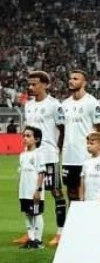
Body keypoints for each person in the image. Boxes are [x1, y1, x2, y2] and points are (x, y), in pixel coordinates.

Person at [15, 71, 65, 247]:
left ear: (45, 85)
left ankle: (60, 232)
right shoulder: (28, 105)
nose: (30, 87)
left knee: (56, 192)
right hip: (31, 156)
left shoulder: (54, 105)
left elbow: (62, 129)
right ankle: (31, 233)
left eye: (34, 84)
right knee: (30, 192)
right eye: (29, 84)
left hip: (49, 154)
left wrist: (57, 150)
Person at [57, 70, 100, 246]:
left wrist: (99, 153)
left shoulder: (92, 103)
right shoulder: (64, 104)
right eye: (70, 78)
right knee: (71, 193)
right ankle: (75, 228)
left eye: (76, 79)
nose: (71, 81)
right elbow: (62, 130)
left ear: (84, 82)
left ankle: (92, 229)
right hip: (69, 157)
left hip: (86, 157)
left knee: (88, 193)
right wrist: (60, 150)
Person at [18, 126, 45, 249]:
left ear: (37, 139)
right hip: (24, 191)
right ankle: (31, 238)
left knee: (36, 213)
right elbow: (21, 173)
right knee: (28, 214)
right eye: (24, 136)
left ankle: (38, 240)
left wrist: (38, 190)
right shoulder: (22, 155)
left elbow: (41, 173)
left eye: (28, 136)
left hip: (34, 191)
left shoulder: (38, 155)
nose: (25, 138)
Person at [80, 132, 100, 202]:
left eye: (91, 144)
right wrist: (82, 195)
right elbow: (82, 179)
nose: (88, 146)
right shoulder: (86, 161)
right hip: (88, 198)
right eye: (87, 144)